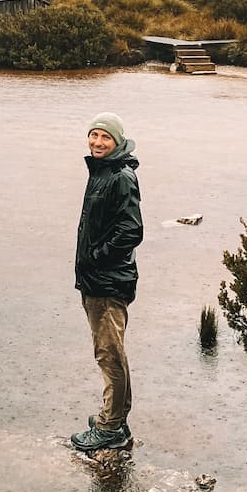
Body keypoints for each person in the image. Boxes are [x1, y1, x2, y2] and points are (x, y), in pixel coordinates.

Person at [70, 112, 143, 452]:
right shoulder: (102, 172)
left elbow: (132, 230)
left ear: (117, 141)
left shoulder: (120, 176)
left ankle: (111, 427)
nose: (97, 142)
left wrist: (97, 258)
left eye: (105, 138)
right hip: (97, 279)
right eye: (94, 135)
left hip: (108, 282)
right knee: (109, 351)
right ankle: (115, 418)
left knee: (109, 354)